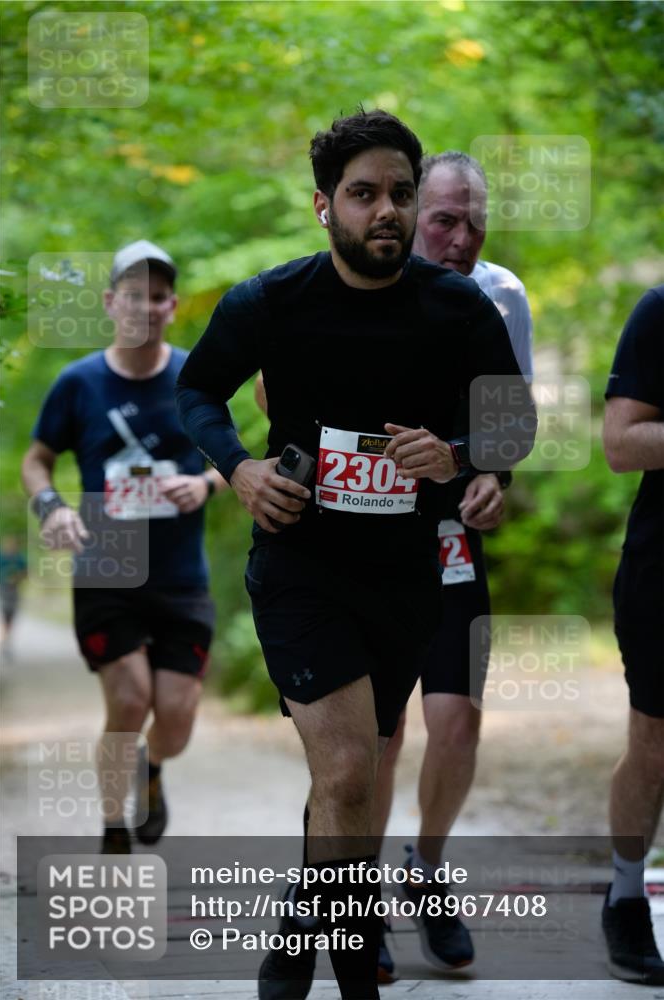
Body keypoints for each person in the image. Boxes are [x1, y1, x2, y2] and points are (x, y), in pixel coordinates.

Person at [176, 108, 533, 1000]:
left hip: (406, 576)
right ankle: (353, 983)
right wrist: (239, 468)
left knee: (355, 783)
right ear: (322, 205)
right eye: (363, 194)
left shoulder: (457, 307)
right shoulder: (270, 301)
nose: (386, 211)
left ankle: (299, 936)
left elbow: (513, 426)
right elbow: (196, 393)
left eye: (400, 194)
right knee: (342, 774)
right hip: (300, 567)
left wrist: (457, 454)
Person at [372, 151, 534, 980]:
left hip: (447, 532)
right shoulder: (359, 279)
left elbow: (507, 423)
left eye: (475, 223)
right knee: (379, 730)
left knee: (457, 717)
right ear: (410, 216)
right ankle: (352, 892)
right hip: (363, 533)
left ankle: (425, 868)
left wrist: (491, 478)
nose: (461, 238)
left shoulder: (502, 295)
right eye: (444, 220)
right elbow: (273, 394)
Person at [21, 240, 225, 853]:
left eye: (157, 297)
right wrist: (52, 507)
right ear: (111, 303)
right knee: (130, 698)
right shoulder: (78, 383)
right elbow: (37, 460)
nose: (145, 307)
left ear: (172, 306)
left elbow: (235, 460)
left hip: (181, 574)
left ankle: (151, 767)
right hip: (106, 566)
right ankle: (113, 828)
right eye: (133, 295)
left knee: (177, 719)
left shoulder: (196, 378)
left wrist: (204, 484)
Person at [601, 284, 664, 986]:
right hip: (662, 569)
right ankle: (623, 895)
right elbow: (620, 443)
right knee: (654, 744)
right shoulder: (659, 310)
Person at [0, 534, 27, 660]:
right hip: (2, 591)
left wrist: (17, 577)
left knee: (10, 618)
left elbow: (26, 572)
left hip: (14, 591)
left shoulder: (19, 558)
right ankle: (4, 642)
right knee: (4, 617)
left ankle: (6, 641)